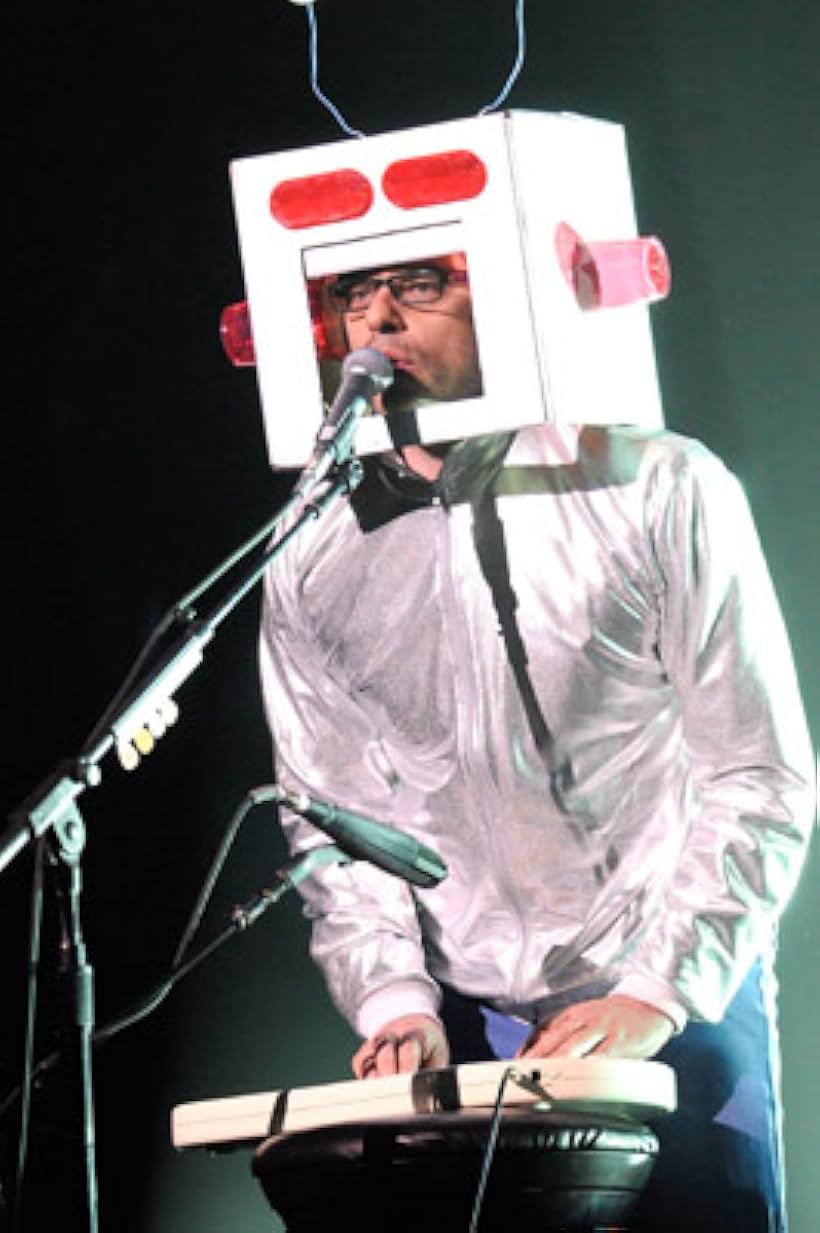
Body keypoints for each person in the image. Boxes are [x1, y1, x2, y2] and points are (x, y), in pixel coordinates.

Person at [259, 254, 814, 1231]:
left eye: (423, 283)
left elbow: (759, 774)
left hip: (668, 986)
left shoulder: (658, 486)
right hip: (464, 1014)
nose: (380, 318)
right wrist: (392, 1001)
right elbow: (333, 817)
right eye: (351, 292)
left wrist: (657, 991)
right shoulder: (310, 553)